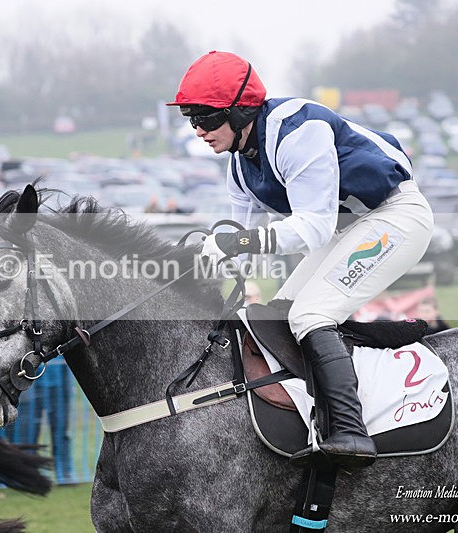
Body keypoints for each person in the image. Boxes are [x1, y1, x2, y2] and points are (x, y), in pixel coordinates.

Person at [169, 51, 435, 468]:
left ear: (240, 112)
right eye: (191, 119)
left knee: (310, 315)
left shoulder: (297, 132)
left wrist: (236, 245)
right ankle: (316, 408)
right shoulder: (239, 166)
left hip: (394, 216)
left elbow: (310, 229)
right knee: (275, 315)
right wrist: (188, 266)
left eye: (204, 117)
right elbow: (243, 250)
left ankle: (351, 430)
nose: (198, 130)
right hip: (348, 228)